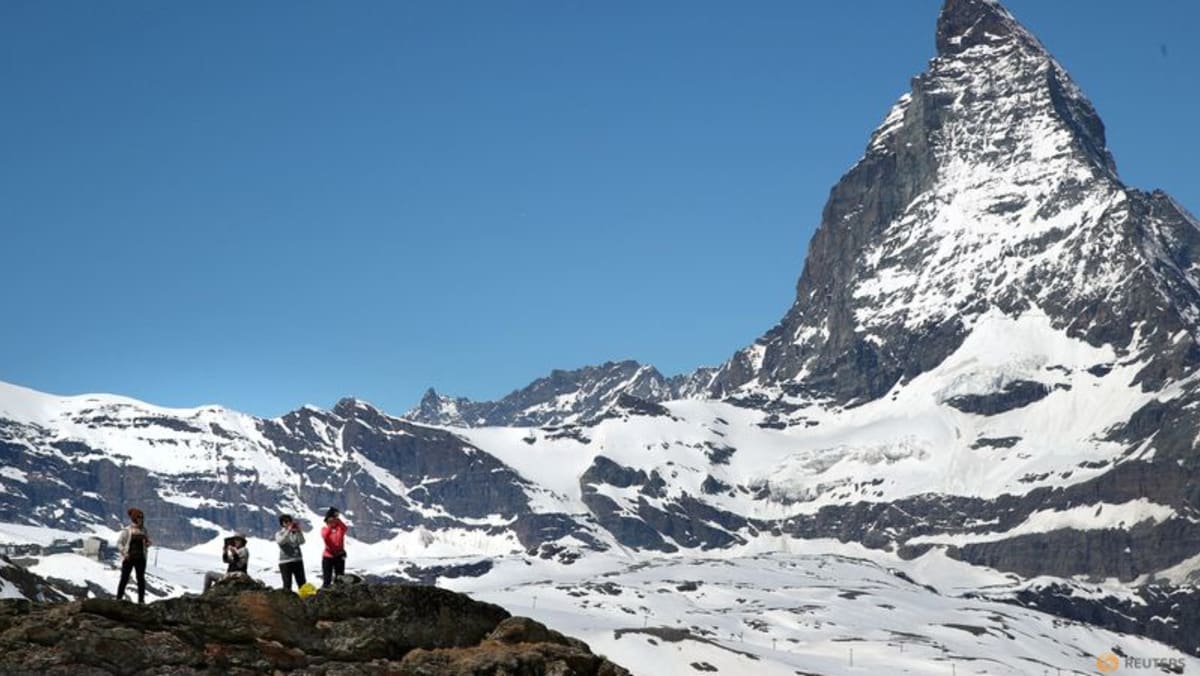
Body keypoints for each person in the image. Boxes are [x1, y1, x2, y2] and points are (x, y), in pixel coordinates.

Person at [115, 507, 151, 604]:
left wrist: (147, 544)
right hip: (129, 558)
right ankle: (118, 598)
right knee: (124, 578)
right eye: (139, 517)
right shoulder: (127, 530)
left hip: (140, 558)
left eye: (142, 518)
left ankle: (141, 600)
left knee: (141, 579)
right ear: (135, 518)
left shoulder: (144, 530)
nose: (141, 519)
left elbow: (146, 542)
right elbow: (119, 543)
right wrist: (124, 553)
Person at [275, 514, 307, 591]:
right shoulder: (279, 533)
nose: (288, 523)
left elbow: (302, 541)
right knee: (287, 583)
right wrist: (288, 531)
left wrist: (299, 531)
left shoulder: (294, 532)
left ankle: (305, 599)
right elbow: (280, 541)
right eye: (286, 522)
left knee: (302, 582)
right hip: (285, 562)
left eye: (290, 521)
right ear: (282, 524)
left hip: (297, 560)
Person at [321, 507, 348, 587]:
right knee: (327, 578)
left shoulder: (340, 529)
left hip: (339, 555)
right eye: (331, 520)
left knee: (340, 578)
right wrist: (330, 526)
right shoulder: (324, 529)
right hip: (328, 556)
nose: (333, 522)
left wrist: (337, 519)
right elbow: (325, 536)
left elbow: (345, 528)